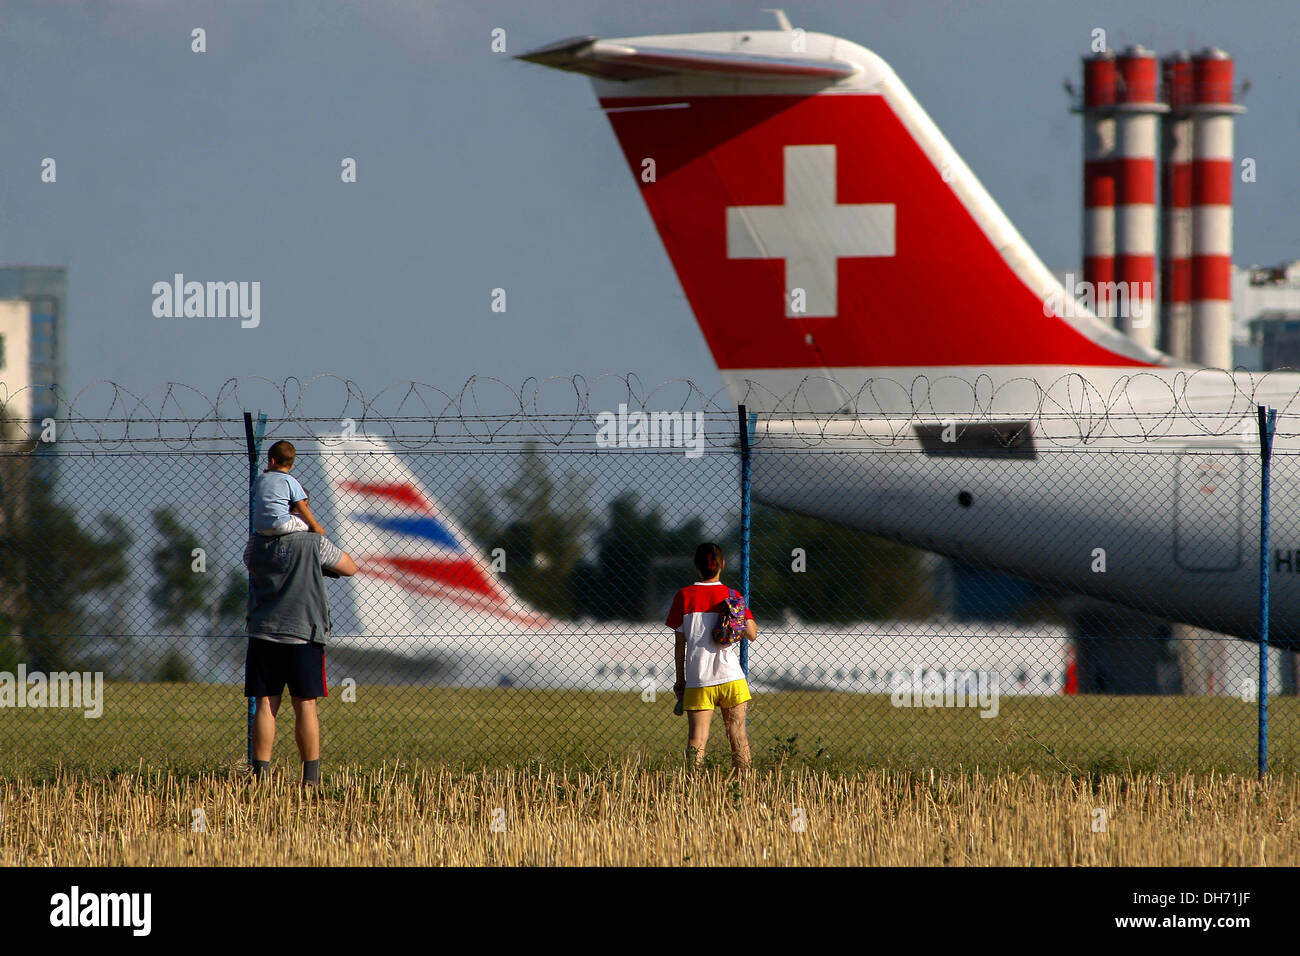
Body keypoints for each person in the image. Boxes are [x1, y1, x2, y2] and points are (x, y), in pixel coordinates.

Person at [243, 526, 356, 786]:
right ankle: (310, 778)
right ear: (301, 507)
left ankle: (260, 776)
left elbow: (252, 567)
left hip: (263, 631)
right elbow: (349, 567)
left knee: (265, 703)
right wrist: (314, 525)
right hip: (305, 632)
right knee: (305, 705)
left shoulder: (256, 543)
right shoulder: (314, 543)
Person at [666, 543, 757, 770]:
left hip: (699, 679)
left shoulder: (684, 596)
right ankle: (745, 785)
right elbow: (752, 633)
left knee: (697, 739)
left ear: (696, 566)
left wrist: (681, 680)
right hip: (732, 678)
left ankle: (693, 787)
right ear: (722, 565)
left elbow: (680, 644)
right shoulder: (732, 595)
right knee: (738, 738)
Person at [252, 440, 326, 537]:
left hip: (260, 527)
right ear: (291, 466)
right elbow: (301, 506)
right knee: (305, 523)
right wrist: (316, 526)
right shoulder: (290, 480)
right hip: (281, 525)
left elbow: (255, 493)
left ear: (272, 461)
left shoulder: (261, 478)